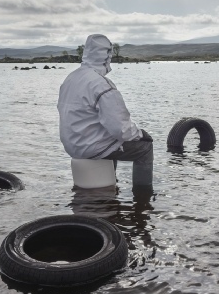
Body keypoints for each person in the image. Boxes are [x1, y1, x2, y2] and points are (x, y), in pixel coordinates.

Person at [57, 34, 153, 185]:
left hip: (72, 144)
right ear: (107, 55)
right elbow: (121, 128)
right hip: (90, 148)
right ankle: (143, 197)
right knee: (144, 148)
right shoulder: (101, 85)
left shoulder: (71, 78)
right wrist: (140, 134)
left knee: (111, 141)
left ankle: (110, 189)